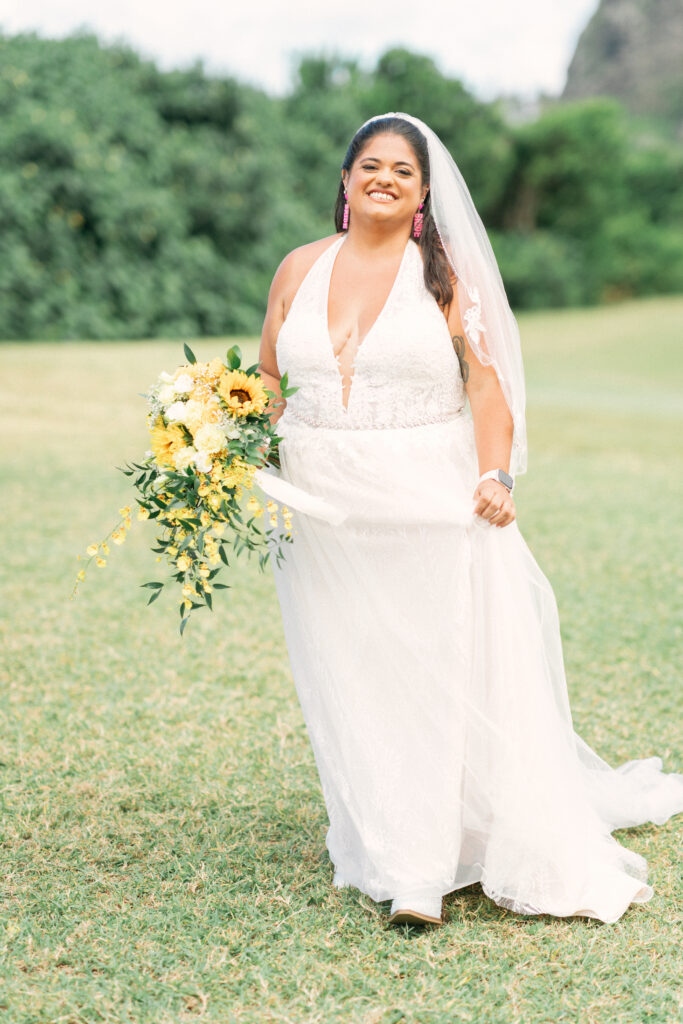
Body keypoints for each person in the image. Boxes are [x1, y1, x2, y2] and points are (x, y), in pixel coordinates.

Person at [255, 112, 683, 927]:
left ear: (422, 194)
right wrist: (219, 438)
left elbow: (486, 388)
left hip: (429, 502)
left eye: (402, 171)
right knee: (350, 668)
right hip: (318, 512)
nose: (383, 177)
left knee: (433, 669)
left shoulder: (444, 275)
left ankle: (417, 871)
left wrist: (494, 472)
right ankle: (380, 830)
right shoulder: (296, 269)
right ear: (345, 181)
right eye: (368, 165)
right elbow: (269, 379)